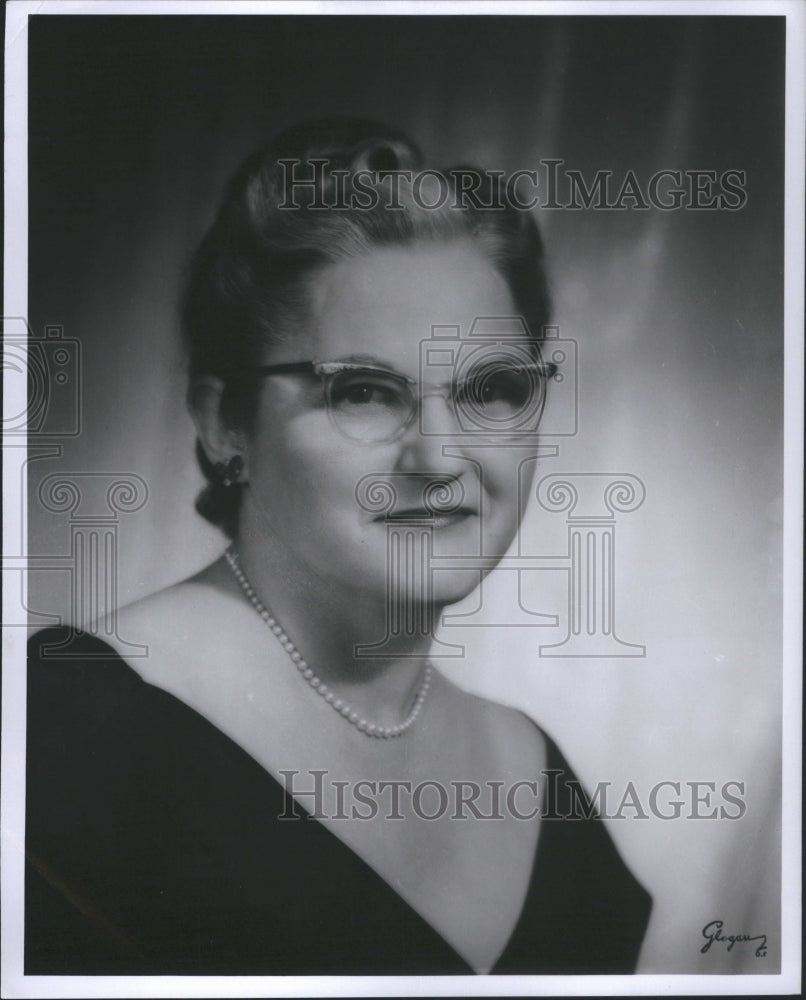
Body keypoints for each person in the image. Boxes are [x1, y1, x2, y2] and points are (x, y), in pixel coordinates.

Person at [26, 119, 651, 976]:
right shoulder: (53, 737)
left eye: (492, 389)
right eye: (364, 392)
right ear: (221, 421)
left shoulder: (545, 781)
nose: (439, 457)